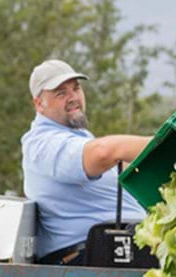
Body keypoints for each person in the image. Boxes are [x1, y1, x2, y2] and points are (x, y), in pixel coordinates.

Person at [21, 59, 153, 265]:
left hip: (120, 248)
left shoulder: (79, 136)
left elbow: (123, 166)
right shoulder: (41, 143)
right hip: (86, 260)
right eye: (61, 93)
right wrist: (168, 144)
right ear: (39, 104)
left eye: (76, 88)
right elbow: (104, 152)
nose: (73, 97)